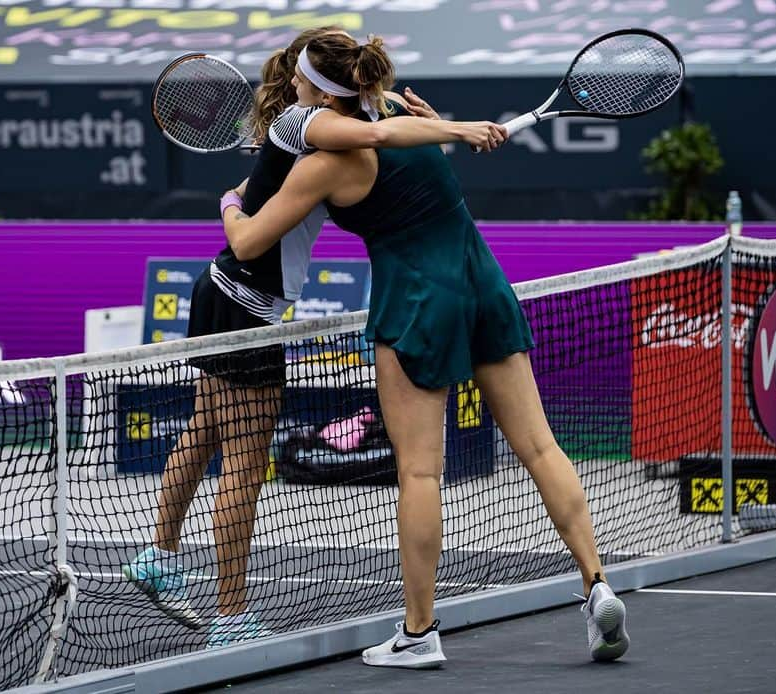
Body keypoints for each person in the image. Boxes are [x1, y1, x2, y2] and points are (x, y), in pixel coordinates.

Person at [220, 33, 630, 667]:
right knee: (541, 445)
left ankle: (417, 632)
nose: (292, 90)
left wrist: (229, 203)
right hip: (483, 282)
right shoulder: (407, 117)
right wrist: (450, 129)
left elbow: (247, 245)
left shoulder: (323, 163)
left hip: (416, 301)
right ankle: (596, 582)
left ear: (319, 91)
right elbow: (413, 160)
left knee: (419, 472)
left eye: (300, 83)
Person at [123, 27, 509, 650]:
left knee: (204, 433)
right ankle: (230, 616)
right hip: (245, 307)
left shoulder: (303, 128)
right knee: (245, 465)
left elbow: (380, 127)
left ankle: (158, 557)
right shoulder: (305, 122)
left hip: (221, 294)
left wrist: (234, 198)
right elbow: (375, 135)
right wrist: (463, 130)